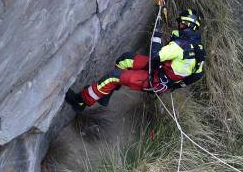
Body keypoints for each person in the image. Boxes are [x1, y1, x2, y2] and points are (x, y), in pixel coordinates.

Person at [65, 7, 206, 112]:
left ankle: (80, 101)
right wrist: (176, 85)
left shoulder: (180, 46)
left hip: (155, 80)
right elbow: (198, 74)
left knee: (112, 77)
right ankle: (105, 94)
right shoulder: (199, 49)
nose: (179, 25)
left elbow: (156, 53)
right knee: (125, 60)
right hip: (160, 69)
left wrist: (157, 33)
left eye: (181, 23)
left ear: (188, 25)